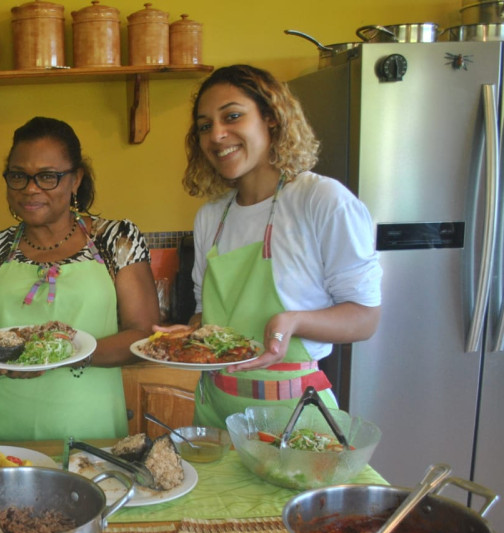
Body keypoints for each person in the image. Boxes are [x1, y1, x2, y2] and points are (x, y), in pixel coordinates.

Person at [161, 64, 381, 428]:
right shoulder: (211, 217)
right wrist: (192, 333)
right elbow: (208, 314)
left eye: (232, 116)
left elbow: (365, 318)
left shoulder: (320, 200)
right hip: (215, 411)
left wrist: (292, 321)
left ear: (272, 120)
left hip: (293, 416)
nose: (217, 135)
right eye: (205, 125)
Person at [0, 117, 160, 442]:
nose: (30, 188)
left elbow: (143, 335)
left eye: (47, 177)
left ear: (75, 179)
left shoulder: (116, 240)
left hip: (89, 428)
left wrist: (57, 354)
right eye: (18, 176)